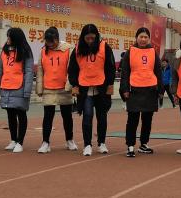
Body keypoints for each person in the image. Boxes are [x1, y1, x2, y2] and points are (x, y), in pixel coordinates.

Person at [68, 23, 115, 156]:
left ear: (96, 36)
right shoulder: (77, 49)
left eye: (92, 38)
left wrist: (109, 84)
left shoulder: (104, 47)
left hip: (101, 88)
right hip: (85, 88)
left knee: (102, 116)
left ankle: (101, 143)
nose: (90, 41)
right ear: (83, 37)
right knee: (87, 116)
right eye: (87, 38)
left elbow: (111, 67)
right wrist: (74, 84)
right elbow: (72, 69)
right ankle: (87, 145)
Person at [120, 26, 162, 157]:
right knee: (132, 119)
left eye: (146, 37)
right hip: (134, 90)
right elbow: (125, 72)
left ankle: (144, 144)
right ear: (136, 38)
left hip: (150, 90)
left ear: (149, 39)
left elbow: (158, 71)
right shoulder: (130, 52)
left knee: (147, 120)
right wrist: (125, 89)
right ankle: (130, 146)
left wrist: (160, 90)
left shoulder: (153, 52)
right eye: (141, 37)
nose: (143, 39)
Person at [0, 27, 35, 153]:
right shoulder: (4, 51)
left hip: (20, 87)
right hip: (6, 86)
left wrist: (27, 90)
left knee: (21, 114)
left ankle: (20, 142)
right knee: (10, 114)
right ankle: (13, 140)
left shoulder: (25, 52)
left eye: (9, 37)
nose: (7, 39)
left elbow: (29, 71)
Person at [36, 27, 75, 153]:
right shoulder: (43, 51)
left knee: (67, 116)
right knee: (48, 116)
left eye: (52, 41)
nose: (50, 44)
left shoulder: (68, 49)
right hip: (48, 87)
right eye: (47, 42)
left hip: (64, 88)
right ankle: (45, 142)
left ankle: (69, 140)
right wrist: (39, 88)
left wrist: (70, 85)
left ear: (57, 39)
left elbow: (71, 69)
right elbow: (40, 70)